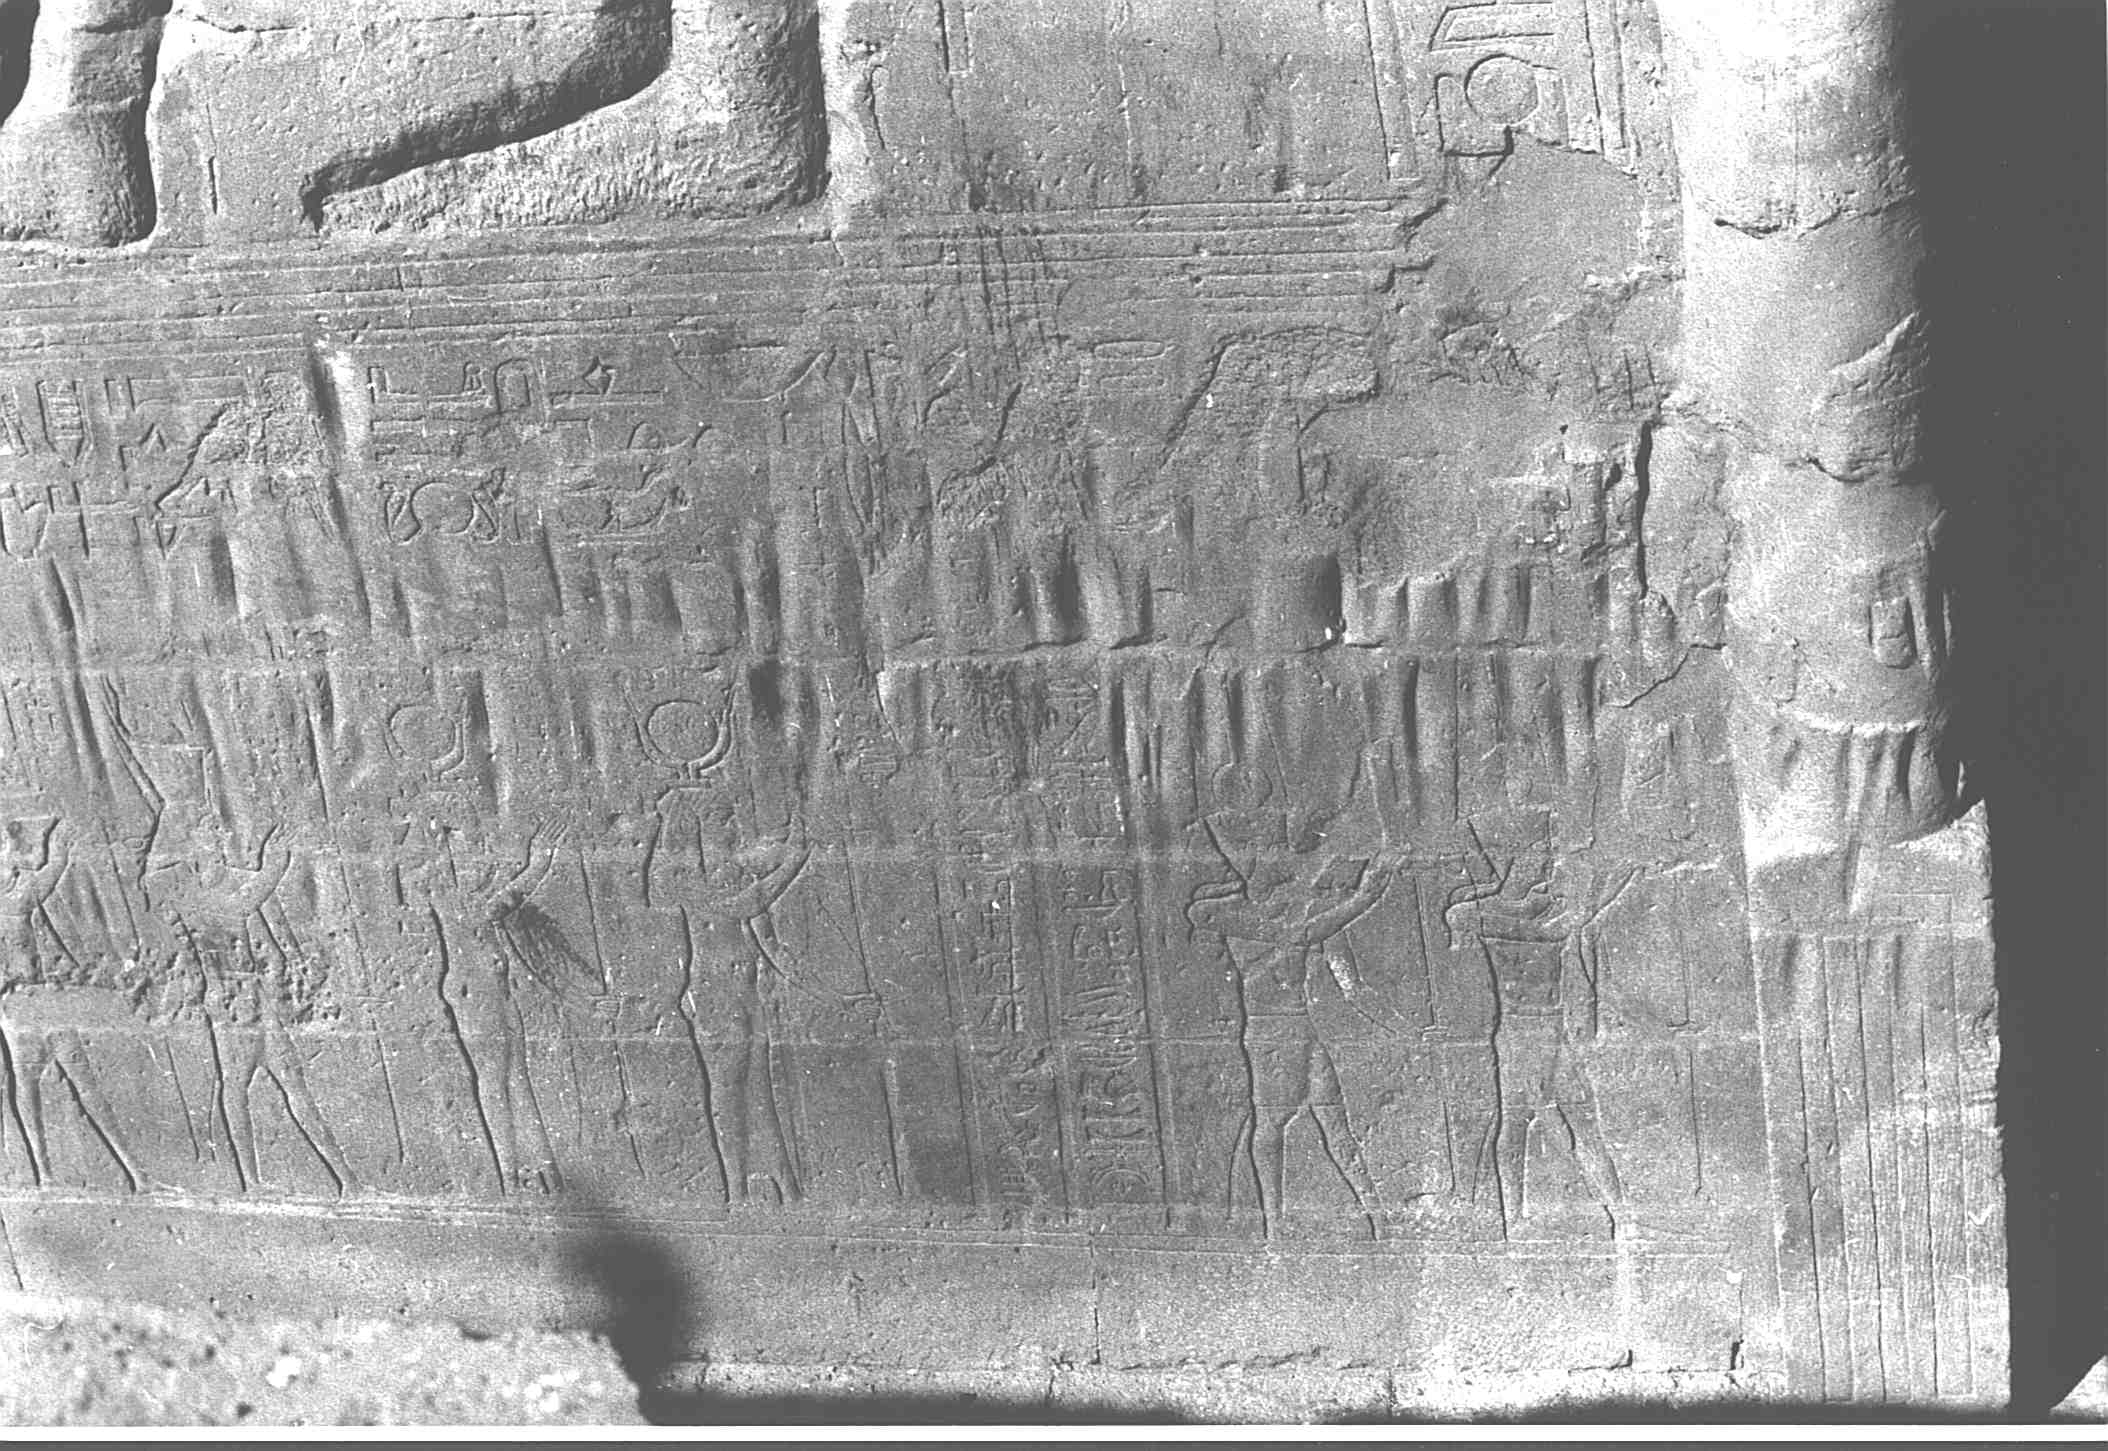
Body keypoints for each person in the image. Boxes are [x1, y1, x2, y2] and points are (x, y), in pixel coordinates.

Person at [1186, 767, 1405, 1238]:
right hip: (1270, 1035)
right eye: (1279, 868)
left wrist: (1401, 1027)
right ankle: (1273, 1223)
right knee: (1272, 1124)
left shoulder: (1299, 916)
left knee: (1336, 1125)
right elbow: (1298, 934)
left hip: (1303, 1031)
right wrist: (1362, 897)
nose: (1292, 875)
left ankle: (1377, 1216)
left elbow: (1351, 986)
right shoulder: (1237, 916)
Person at [1443, 820, 1636, 1235]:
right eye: (1539, 859)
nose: (1548, 868)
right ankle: (1513, 1218)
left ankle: (1623, 1216)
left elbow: (1564, 923)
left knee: (1584, 1122)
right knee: (1517, 1124)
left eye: (1548, 859)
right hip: (1520, 1032)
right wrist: (1612, 884)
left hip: (1554, 1029)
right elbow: (1544, 929)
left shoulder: (1534, 908)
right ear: (1515, 864)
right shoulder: (1485, 915)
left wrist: (1614, 881)